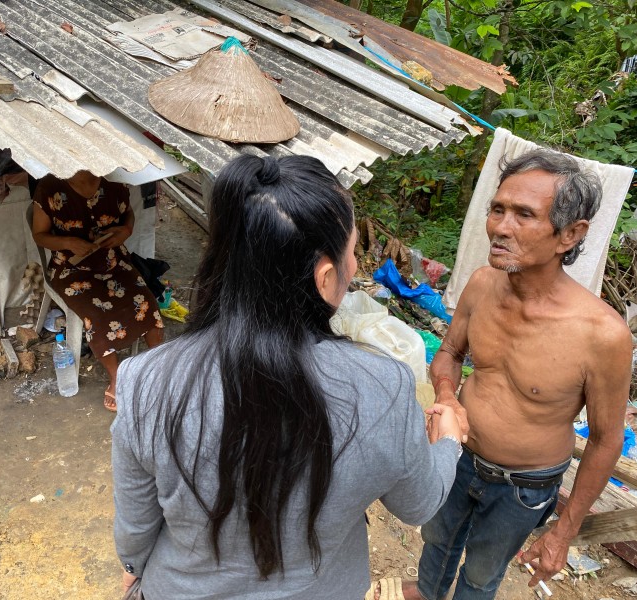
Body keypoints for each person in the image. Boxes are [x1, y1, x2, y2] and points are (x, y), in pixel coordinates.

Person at [111, 155, 463, 600]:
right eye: (352, 250)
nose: (356, 265)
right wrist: (448, 441)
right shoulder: (384, 388)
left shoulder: (143, 378)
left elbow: (136, 521)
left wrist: (132, 568)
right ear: (325, 276)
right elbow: (418, 503)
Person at [403, 149, 632, 600]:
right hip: (457, 454)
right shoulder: (482, 284)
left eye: (524, 215)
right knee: (436, 542)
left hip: (524, 488)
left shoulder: (602, 335)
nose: (500, 228)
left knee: (482, 573)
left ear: (570, 233)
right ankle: (427, 593)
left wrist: (564, 532)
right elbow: (449, 352)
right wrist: (447, 397)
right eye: (498, 209)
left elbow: (607, 439)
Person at [32, 171, 164, 411]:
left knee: (146, 300)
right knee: (97, 313)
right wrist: (68, 242)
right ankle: (117, 377)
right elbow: (39, 235)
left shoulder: (114, 180)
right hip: (70, 267)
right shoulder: (50, 186)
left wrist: (126, 230)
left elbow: (128, 214)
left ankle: (160, 364)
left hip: (113, 259)